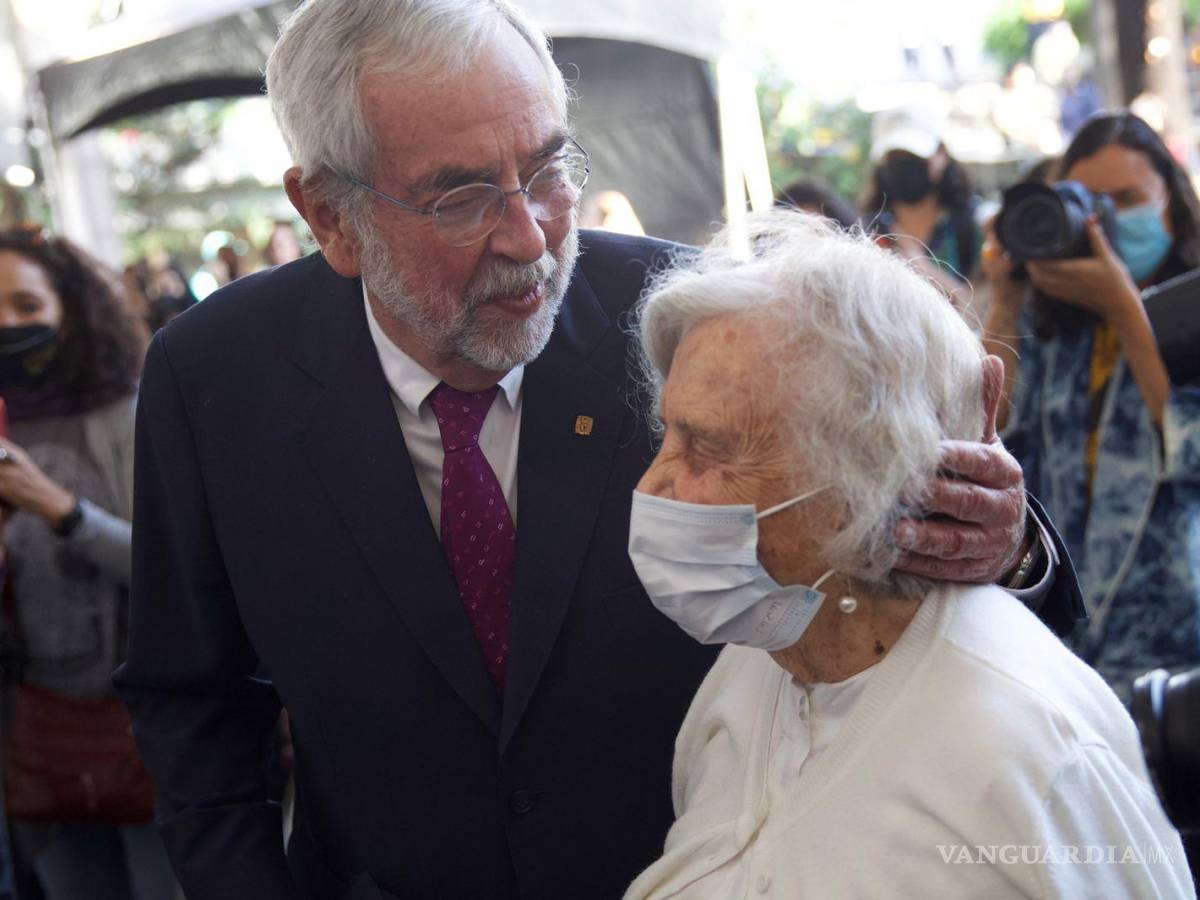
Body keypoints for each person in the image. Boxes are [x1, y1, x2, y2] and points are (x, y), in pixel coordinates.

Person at [113, 2, 1082, 897]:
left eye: (547, 168)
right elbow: (192, 698)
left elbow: (881, 552)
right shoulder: (214, 379)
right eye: (461, 198)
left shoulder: (690, 319)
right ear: (329, 214)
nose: (530, 236)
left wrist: (1002, 547)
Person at [624, 210, 1192, 900]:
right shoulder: (748, 678)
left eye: (707, 448)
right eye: (667, 436)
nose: (652, 486)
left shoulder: (1029, 752)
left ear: (860, 477)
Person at [982, 111, 1200, 707]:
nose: (1104, 222)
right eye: (1087, 204)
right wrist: (1006, 301)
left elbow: (1193, 451)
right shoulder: (1054, 321)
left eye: (1127, 199)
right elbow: (987, 435)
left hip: (1175, 636)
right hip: (1060, 642)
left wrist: (1127, 309)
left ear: (1173, 200)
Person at [0, 225, 175, 900]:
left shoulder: (130, 415)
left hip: (144, 733)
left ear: (68, 308)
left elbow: (169, 571)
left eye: (25, 305)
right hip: (34, 732)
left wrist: (57, 508)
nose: (8, 324)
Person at [864, 104, 980, 305]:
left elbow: (985, 314)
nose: (903, 168)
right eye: (893, 159)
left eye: (913, 157)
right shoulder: (868, 230)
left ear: (941, 154)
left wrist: (924, 269)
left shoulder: (972, 224)